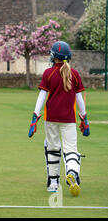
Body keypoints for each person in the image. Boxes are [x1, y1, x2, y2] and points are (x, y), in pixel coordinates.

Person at [29, 41, 90, 196]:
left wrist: (34, 118)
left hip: (51, 118)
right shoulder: (74, 74)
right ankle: (72, 172)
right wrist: (84, 119)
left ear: (54, 56)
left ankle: (54, 183)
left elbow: (41, 97)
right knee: (71, 150)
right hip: (69, 119)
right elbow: (80, 100)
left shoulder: (48, 73)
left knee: (53, 149)